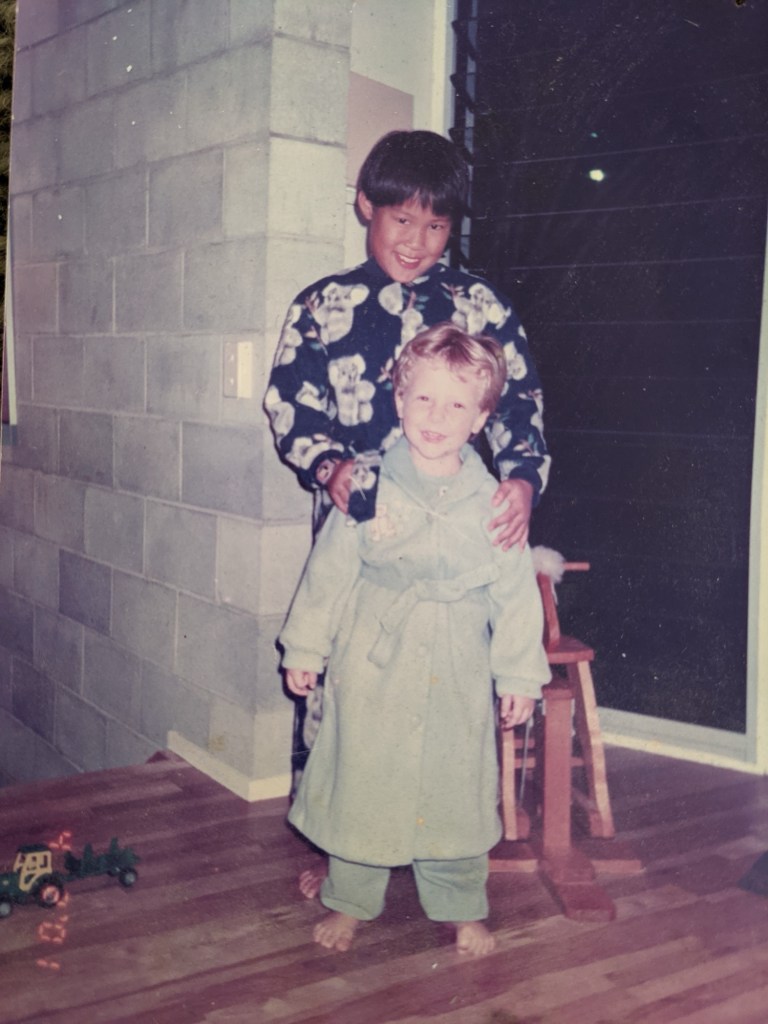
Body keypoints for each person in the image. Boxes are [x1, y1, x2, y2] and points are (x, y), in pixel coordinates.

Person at [265, 130, 550, 798]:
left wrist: (521, 480)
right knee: (343, 692)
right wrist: (329, 466)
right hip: (360, 523)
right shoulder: (321, 306)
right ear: (367, 205)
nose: (418, 242)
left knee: (442, 702)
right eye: (402, 220)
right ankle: (336, 827)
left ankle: (438, 828)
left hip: (453, 530)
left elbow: (519, 401)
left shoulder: (480, 306)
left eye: (436, 227)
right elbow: (290, 403)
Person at [279, 324, 550, 956]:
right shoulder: (367, 484)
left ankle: (460, 905)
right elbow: (329, 571)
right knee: (363, 772)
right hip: (375, 655)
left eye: (457, 405)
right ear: (399, 401)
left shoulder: (496, 502)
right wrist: (306, 648)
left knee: (455, 783)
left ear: (480, 419)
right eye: (423, 398)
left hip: (457, 661)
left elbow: (514, 595)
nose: (436, 417)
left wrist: (517, 676)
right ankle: (350, 899)